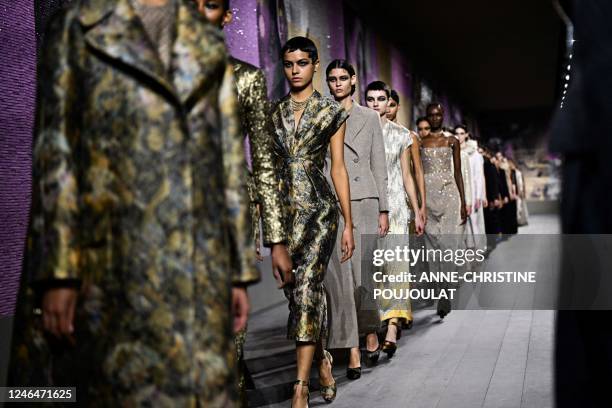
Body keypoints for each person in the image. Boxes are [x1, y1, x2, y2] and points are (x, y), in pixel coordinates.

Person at [8, 0, 255, 406]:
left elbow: (227, 163)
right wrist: (58, 272)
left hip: (197, 259)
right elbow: (56, 151)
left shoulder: (205, 42)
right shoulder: (77, 26)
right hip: (105, 260)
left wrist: (238, 268)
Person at [196, 1, 292, 404]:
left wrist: (277, 239)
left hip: (227, 214)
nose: (200, 12)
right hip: (162, 221)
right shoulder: (152, 72)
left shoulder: (244, 79)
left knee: (227, 322)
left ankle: (232, 390)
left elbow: (265, 163)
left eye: (212, 4)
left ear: (227, 16)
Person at [271, 37, 354, 407]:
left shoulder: (330, 112)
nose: (295, 70)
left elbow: (337, 168)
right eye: (289, 64)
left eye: (302, 63)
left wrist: (348, 222)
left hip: (320, 211)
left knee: (306, 289)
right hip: (286, 215)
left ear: (315, 64)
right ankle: (322, 358)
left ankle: (300, 386)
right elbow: (268, 173)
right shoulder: (274, 114)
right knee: (297, 296)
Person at [324, 59, 389, 380]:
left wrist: (384, 209)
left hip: (365, 201)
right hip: (334, 203)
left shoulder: (370, 117)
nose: (337, 84)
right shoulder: (321, 115)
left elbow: (380, 164)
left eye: (342, 78)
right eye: (332, 79)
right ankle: (351, 347)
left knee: (365, 275)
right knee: (342, 278)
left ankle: (370, 332)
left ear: (353, 80)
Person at [365, 80, 424, 359]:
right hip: (367, 209)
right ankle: (376, 323)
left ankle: (391, 327)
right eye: (371, 99)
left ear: (390, 102)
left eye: (381, 99)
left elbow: (407, 176)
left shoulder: (402, 135)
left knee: (397, 268)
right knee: (376, 271)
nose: (376, 104)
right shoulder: (358, 133)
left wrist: (418, 209)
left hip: (397, 209)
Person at [420, 103, 467, 319]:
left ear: (443, 115)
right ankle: (439, 290)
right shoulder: (420, 142)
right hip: (428, 196)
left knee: (447, 244)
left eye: (439, 114)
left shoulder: (452, 141)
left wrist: (464, 202)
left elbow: (458, 173)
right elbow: (416, 174)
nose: (435, 117)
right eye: (432, 115)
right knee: (432, 248)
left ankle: (446, 292)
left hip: (450, 194)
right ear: (427, 117)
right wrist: (418, 204)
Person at [456, 124, 487, 252]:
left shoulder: (474, 154)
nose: (459, 136)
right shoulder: (453, 150)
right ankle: (466, 250)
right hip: (458, 190)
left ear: (467, 135)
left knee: (474, 221)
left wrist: (480, 195)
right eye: (457, 133)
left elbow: (479, 176)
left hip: (473, 191)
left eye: (462, 133)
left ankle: (480, 249)